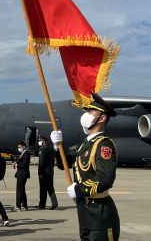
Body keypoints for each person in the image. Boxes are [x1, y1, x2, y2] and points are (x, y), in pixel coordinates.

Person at [51, 93, 120, 241]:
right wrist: (57, 148)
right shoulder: (85, 143)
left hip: (100, 216)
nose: (85, 115)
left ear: (101, 118)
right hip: (85, 214)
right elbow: (66, 165)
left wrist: (79, 190)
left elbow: (105, 180)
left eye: (90, 112)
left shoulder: (103, 145)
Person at [36, 135, 58, 210]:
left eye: (40, 140)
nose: (39, 142)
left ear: (44, 141)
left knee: (43, 189)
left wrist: (39, 173)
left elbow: (41, 163)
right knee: (50, 187)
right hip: (50, 171)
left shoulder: (42, 149)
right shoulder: (50, 148)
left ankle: (42, 204)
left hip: (44, 172)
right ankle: (54, 203)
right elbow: (52, 160)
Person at [13, 141, 30, 211]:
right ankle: (24, 205)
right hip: (21, 174)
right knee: (22, 190)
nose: (18, 148)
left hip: (22, 174)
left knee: (19, 190)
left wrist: (17, 165)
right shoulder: (23, 154)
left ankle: (18, 206)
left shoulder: (26, 154)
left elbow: (24, 165)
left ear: (24, 146)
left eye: (20, 147)